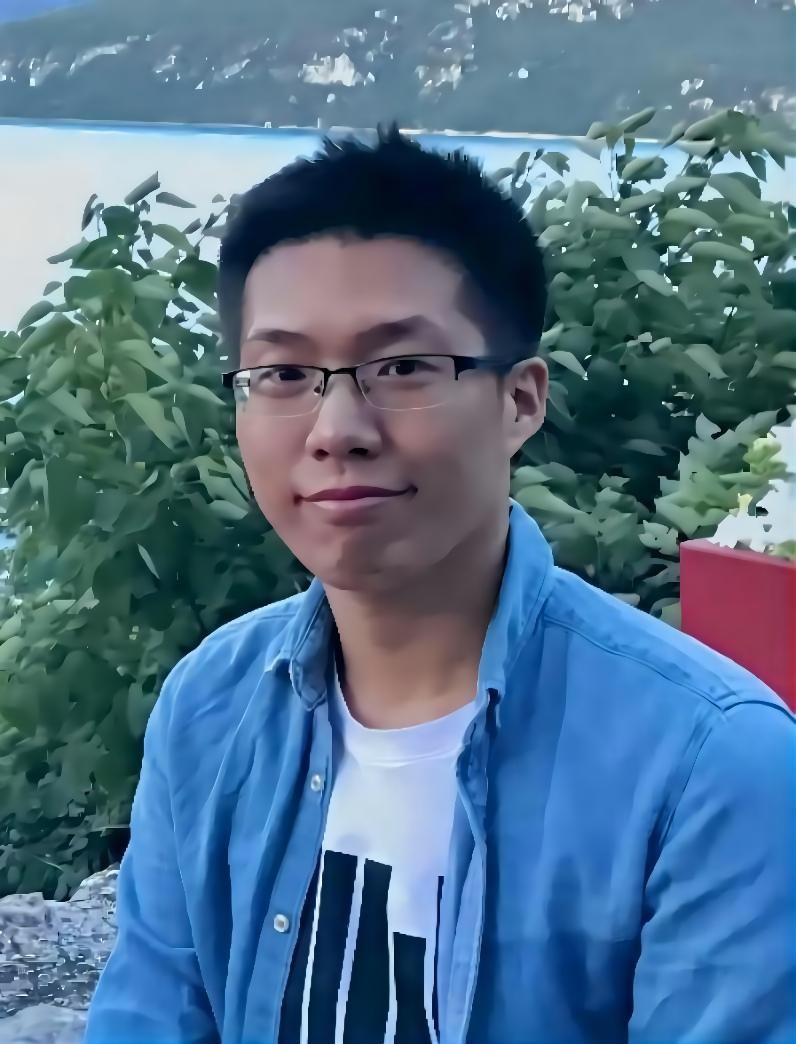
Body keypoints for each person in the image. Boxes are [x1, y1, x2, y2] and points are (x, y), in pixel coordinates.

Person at [85, 127, 795, 1044]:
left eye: (403, 367)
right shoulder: (212, 707)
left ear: (520, 400)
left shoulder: (711, 766)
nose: (336, 429)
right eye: (285, 374)